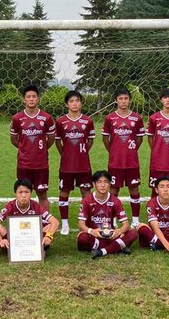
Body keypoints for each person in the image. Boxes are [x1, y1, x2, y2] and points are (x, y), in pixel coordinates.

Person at [102, 88, 145, 227]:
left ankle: (135, 219)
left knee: (134, 189)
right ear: (116, 101)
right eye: (120, 98)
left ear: (129, 100)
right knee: (114, 189)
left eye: (126, 98)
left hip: (132, 162)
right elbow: (105, 138)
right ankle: (112, 218)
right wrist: (113, 151)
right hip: (115, 162)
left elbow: (139, 139)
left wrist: (131, 150)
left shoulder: (137, 118)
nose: (123, 101)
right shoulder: (109, 118)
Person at [55, 90, 95, 235]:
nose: (74, 103)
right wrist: (66, 154)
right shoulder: (60, 121)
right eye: (71, 101)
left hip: (83, 164)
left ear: (81, 103)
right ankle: (65, 224)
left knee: (86, 192)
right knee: (64, 192)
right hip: (66, 165)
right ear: (67, 104)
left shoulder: (88, 121)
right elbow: (58, 142)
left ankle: (88, 221)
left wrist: (82, 152)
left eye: (77, 100)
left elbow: (90, 141)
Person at [10, 84, 55, 210]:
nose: (31, 99)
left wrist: (42, 148)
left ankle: (45, 220)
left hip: (41, 164)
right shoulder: (17, 118)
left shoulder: (46, 118)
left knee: (42, 194)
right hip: (23, 164)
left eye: (34, 96)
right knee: (23, 193)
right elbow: (13, 139)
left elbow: (51, 138)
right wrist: (24, 148)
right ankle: (24, 217)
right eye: (28, 97)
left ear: (38, 99)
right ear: (24, 99)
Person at [76, 170, 138, 259]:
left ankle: (102, 251)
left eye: (106, 182)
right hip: (94, 235)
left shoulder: (115, 201)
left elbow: (126, 224)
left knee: (133, 233)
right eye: (99, 182)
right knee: (83, 237)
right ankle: (118, 246)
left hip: (110, 235)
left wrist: (119, 231)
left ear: (110, 184)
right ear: (94, 184)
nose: (103, 185)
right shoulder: (86, 200)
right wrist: (92, 231)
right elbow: (81, 224)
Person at [0, 179, 59, 252]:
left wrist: (49, 236)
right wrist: (0, 240)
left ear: (31, 193)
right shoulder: (10, 206)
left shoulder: (36, 206)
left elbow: (55, 222)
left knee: (49, 226)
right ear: (15, 193)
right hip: (15, 238)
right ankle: (10, 248)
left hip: (32, 238)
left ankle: (39, 247)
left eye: (26, 192)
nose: (23, 195)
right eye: (20, 192)